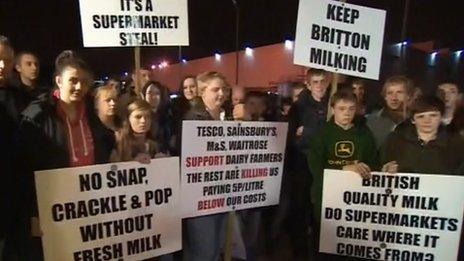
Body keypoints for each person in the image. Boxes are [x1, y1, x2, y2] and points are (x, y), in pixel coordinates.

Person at [18, 50, 114, 260]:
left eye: (84, 82)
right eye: (73, 80)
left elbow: (107, 152)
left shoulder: (91, 115)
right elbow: (25, 169)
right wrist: (34, 213)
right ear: (59, 81)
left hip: (91, 204)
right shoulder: (37, 117)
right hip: (54, 208)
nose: (79, 87)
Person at [307, 90, 379, 258]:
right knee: (325, 245)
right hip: (327, 198)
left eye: (351, 109)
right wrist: (343, 170)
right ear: (332, 109)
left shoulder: (364, 134)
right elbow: (315, 168)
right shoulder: (322, 134)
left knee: (352, 245)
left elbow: (374, 162)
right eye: (341, 108)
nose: (346, 113)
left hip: (356, 200)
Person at [182, 71, 230, 261]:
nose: (221, 94)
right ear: (202, 92)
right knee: (203, 250)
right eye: (215, 89)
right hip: (200, 197)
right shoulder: (193, 118)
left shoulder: (228, 116)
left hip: (222, 193)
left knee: (216, 247)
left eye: (224, 89)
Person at [381, 95, 464, 174]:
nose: (427, 121)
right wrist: (385, 169)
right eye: (421, 116)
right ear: (413, 120)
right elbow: (379, 167)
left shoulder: (456, 143)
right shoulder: (395, 140)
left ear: (441, 117)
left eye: (433, 115)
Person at [366, 75, 413, 148]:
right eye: (390, 93)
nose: (394, 98)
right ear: (385, 97)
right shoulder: (371, 121)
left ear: (408, 95)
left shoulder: (416, 121)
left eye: (399, 92)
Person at [141, 81, 172, 154]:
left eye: (157, 93)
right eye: (149, 93)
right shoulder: (140, 117)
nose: (153, 96)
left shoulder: (167, 116)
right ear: (144, 95)